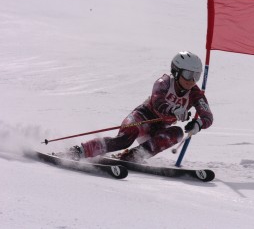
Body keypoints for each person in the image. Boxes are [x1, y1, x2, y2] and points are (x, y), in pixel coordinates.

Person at [69, 51, 213, 163]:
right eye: (188, 75)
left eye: (196, 76)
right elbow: (158, 102)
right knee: (124, 140)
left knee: (177, 133)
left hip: (160, 127)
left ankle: (132, 157)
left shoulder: (195, 94)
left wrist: (198, 124)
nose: (192, 80)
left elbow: (208, 116)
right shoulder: (164, 82)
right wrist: (174, 110)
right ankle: (79, 151)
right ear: (177, 72)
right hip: (142, 117)